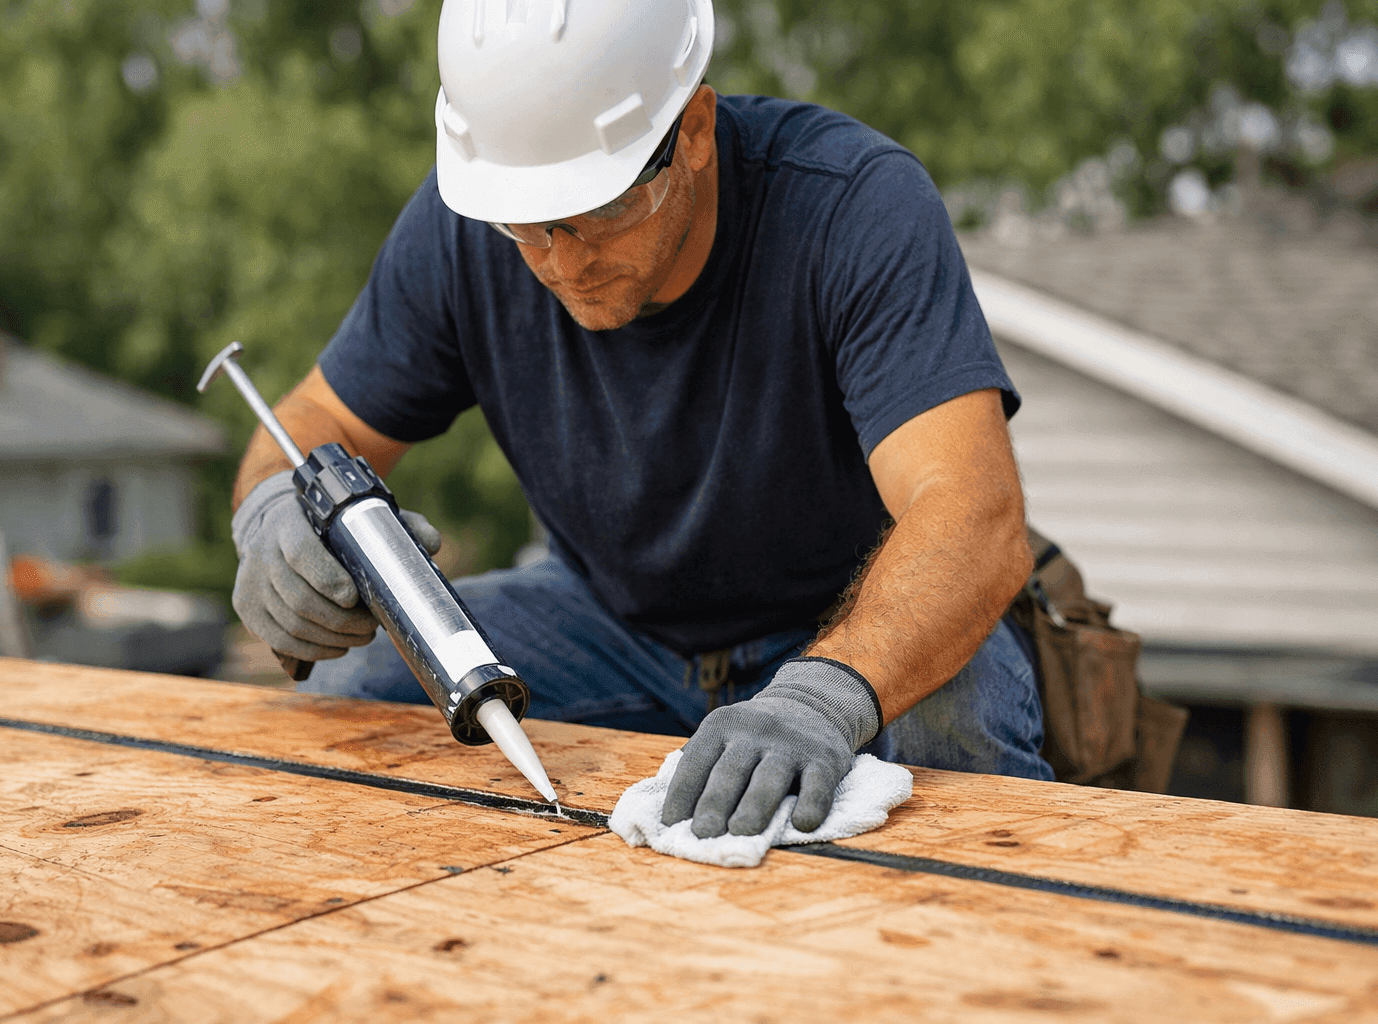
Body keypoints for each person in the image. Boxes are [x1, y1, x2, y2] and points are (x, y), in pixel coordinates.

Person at [229, 0, 1052, 841]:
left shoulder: (852, 206)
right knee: (361, 683)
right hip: (607, 622)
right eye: (531, 227)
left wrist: (823, 694)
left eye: (597, 210)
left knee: (953, 715)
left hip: (837, 622)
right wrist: (271, 513)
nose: (563, 260)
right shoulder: (465, 227)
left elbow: (973, 514)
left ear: (693, 130)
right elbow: (316, 417)